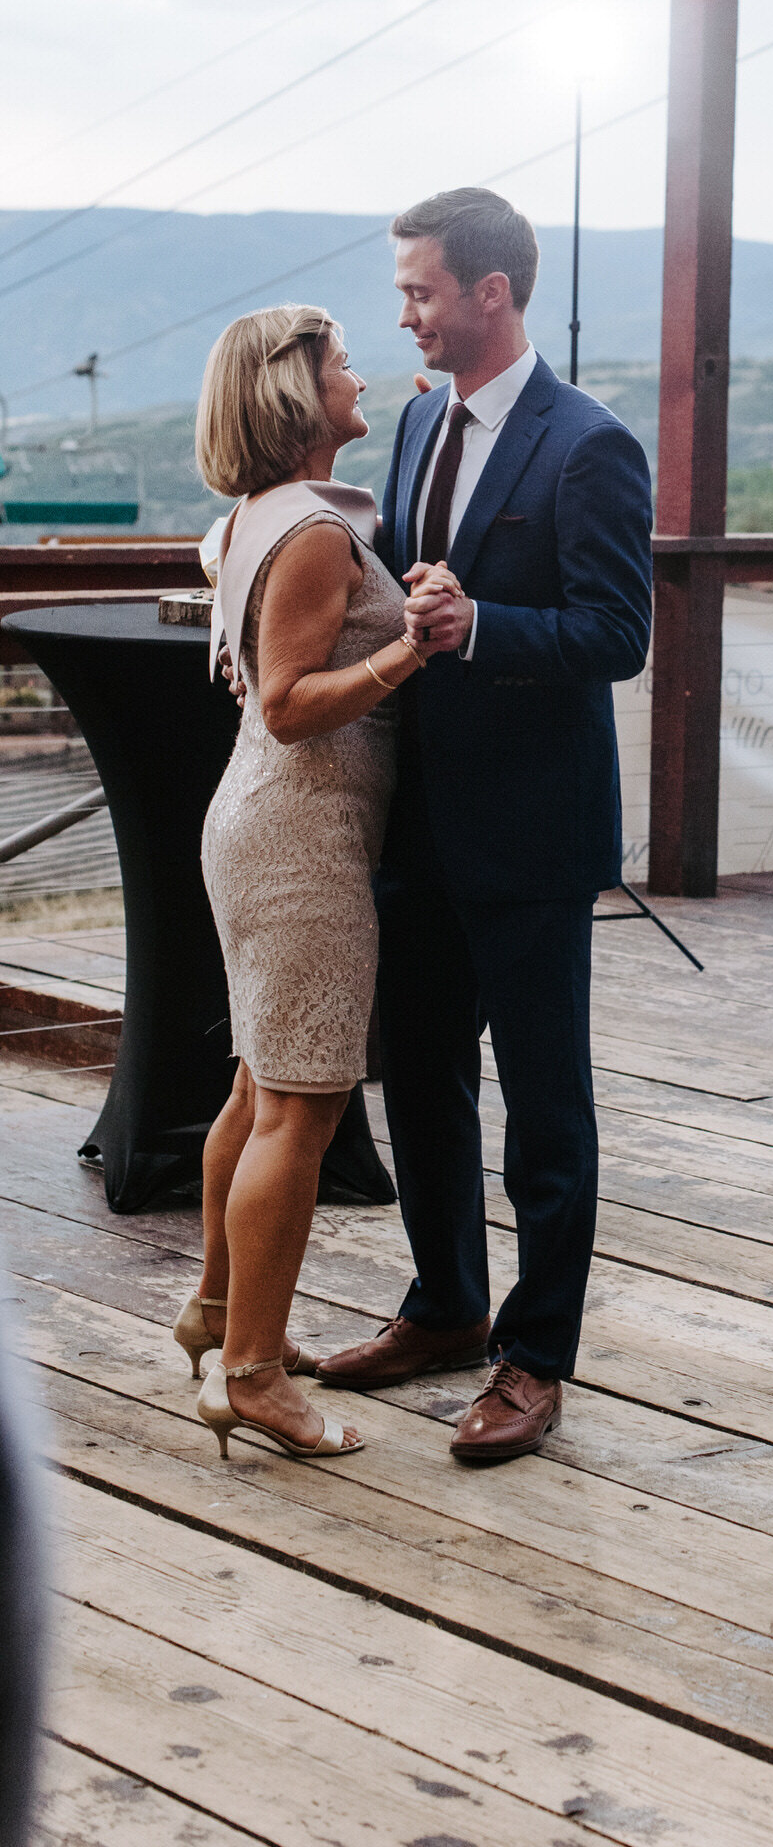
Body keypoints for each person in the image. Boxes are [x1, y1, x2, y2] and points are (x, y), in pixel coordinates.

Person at [315, 187, 654, 1465]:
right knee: (428, 1085)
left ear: (491, 295)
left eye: (420, 291)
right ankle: (446, 1306)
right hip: (417, 826)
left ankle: (535, 1355)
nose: (403, 312)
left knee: (547, 1107)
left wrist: (486, 629)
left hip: (531, 832)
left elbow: (620, 636)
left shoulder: (588, 445)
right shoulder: (410, 422)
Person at [186, 304, 425, 1463]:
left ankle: (218, 1310)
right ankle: (254, 1375)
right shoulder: (316, 534)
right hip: (302, 836)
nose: (359, 372)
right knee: (302, 1107)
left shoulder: (253, 520)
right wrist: (410, 645)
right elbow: (284, 707)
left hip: (258, 829)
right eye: (340, 364)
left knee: (255, 1090)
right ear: (294, 391)